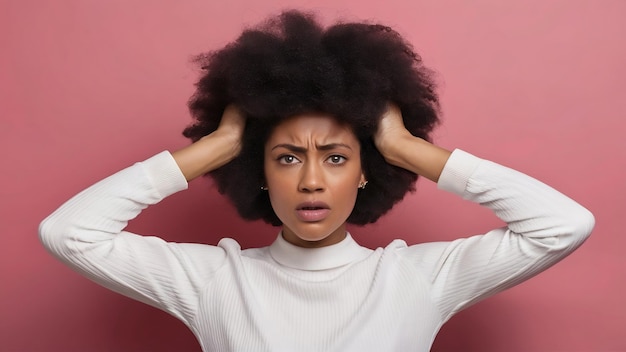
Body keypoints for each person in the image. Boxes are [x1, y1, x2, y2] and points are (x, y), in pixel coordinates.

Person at [39, 10, 594, 352]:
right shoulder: (214, 280)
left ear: (364, 173)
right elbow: (69, 234)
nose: (310, 181)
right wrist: (215, 147)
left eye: (334, 158)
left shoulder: (418, 278)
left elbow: (563, 225)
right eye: (285, 158)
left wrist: (407, 148)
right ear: (257, 172)